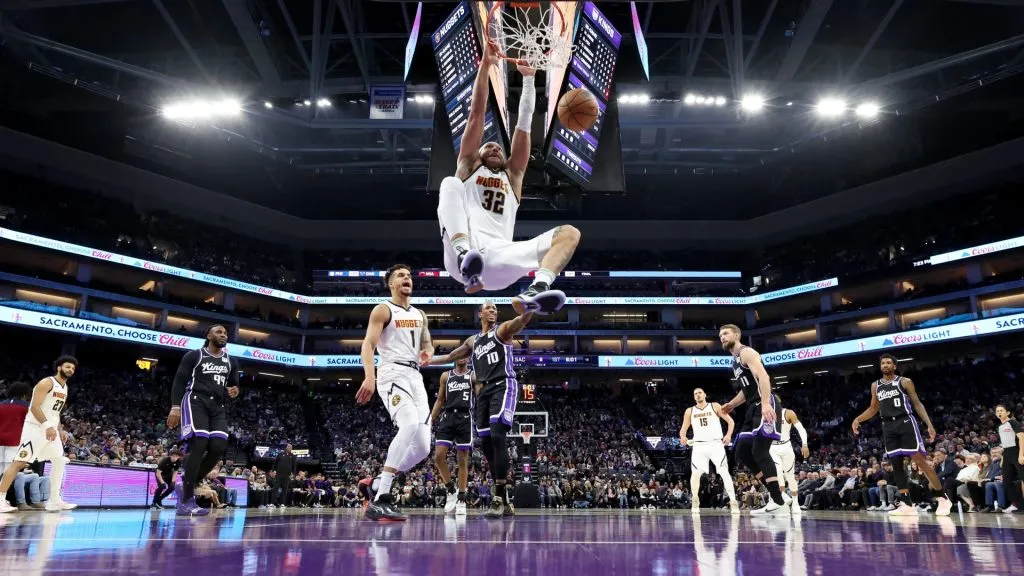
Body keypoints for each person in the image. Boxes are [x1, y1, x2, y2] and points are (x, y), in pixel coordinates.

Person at [436, 42, 579, 313]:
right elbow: (476, 114)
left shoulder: (513, 176)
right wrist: (485, 65)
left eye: (499, 147)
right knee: (450, 183)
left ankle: (537, 289)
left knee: (570, 233)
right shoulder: (468, 167)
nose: (495, 147)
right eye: (488, 146)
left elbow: (524, 124)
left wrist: (528, 78)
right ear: (476, 154)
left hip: (502, 258)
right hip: (464, 254)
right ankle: (465, 254)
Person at [428, 300, 536, 518]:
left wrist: (530, 309)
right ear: (480, 314)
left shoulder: (502, 330)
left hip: (503, 384)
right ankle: (504, 500)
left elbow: (519, 322)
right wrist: (426, 361)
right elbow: (450, 357)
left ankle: (498, 496)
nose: (493, 310)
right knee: (486, 444)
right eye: (489, 308)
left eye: (495, 308)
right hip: (484, 391)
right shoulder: (473, 340)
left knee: (497, 436)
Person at [356, 264, 435, 522]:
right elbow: (368, 344)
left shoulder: (420, 314)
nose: (407, 278)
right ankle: (382, 499)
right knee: (409, 424)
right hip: (391, 373)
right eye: (401, 275)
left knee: (423, 446)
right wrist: (370, 375)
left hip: (415, 377)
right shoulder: (383, 309)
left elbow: (427, 344)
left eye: (409, 275)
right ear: (390, 283)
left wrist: (427, 352)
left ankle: (376, 483)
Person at [851, 354, 952, 516]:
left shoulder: (905, 382)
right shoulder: (875, 386)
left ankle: (942, 497)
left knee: (920, 460)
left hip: (905, 422)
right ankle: (906, 503)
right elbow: (873, 408)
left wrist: (929, 424)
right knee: (896, 464)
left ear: (894, 366)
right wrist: (858, 419)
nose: (885, 365)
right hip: (888, 426)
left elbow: (917, 403)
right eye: (883, 363)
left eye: (888, 363)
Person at [166, 324, 241, 516]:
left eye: (225, 333)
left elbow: (233, 385)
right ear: (208, 335)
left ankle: (190, 483)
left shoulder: (231, 361)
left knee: (218, 446)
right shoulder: (194, 355)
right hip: (195, 400)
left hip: (217, 406)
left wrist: (234, 391)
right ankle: (185, 501)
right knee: (199, 444)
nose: (223, 335)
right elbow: (179, 381)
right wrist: (175, 407)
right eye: (218, 332)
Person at [717, 325, 790, 516]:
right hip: (752, 407)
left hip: (764, 404)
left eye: (725, 334)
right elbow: (746, 389)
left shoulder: (746, 352)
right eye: (720, 336)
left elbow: (764, 377)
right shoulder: (735, 362)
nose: (722, 338)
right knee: (742, 452)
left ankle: (779, 502)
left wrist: (765, 403)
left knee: (759, 450)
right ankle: (778, 497)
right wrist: (732, 404)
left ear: (737, 335)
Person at [0, 357, 79, 513]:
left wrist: (60, 429)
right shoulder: (46, 383)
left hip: (51, 429)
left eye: (73, 368)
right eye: (68, 367)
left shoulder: (65, 387)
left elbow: (55, 413)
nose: (70, 370)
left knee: (60, 460)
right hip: (35, 429)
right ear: (59, 367)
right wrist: (47, 426)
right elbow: (34, 407)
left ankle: (54, 501)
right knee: (18, 462)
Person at [678, 387, 740, 514]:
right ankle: (695, 500)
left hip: (715, 444)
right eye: (695, 394)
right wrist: (683, 437)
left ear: (705, 394)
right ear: (694, 397)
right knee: (695, 474)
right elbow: (683, 429)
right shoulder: (690, 411)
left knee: (724, 472)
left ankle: (733, 502)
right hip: (699, 446)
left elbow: (731, 422)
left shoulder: (715, 406)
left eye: (700, 392)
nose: (698, 395)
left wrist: (728, 435)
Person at [429, 357, 474, 516]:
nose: (461, 357)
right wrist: (430, 419)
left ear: (468, 358)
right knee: (438, 457)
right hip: (447, 417)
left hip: (464, 418)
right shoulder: (446, 376)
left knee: (462, 459)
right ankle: (450, 490)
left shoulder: (472, 376)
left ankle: (462, 498)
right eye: (458, 354)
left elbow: (481, 397)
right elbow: (440, 400)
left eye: (465, 354)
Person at [769, 401, 810, 514]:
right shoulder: (765, 414)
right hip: (772, 447)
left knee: (790, 476)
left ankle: (795, 502)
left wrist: (805, 444)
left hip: (786, 446)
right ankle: (782, 498)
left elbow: (801, 429)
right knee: (777, 471)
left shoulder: (787, 413)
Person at [995, 403, 1024, 513]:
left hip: (1016, 452)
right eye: (997, 411)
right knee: (1006, 482)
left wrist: (1021, 455)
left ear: (1007, 412)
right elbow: (1005, 443)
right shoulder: (1000, 426)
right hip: (1007, 454)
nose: (999, 413)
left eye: (1001, 410)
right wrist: (1003, 458)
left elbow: (1022, 438)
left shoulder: (1013, 422)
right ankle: (1016, 504)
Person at [0, 381, 32, 476]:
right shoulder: (26, 407)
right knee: (8, 470)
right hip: (15, 440)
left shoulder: (1, 404)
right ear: (24, 393)